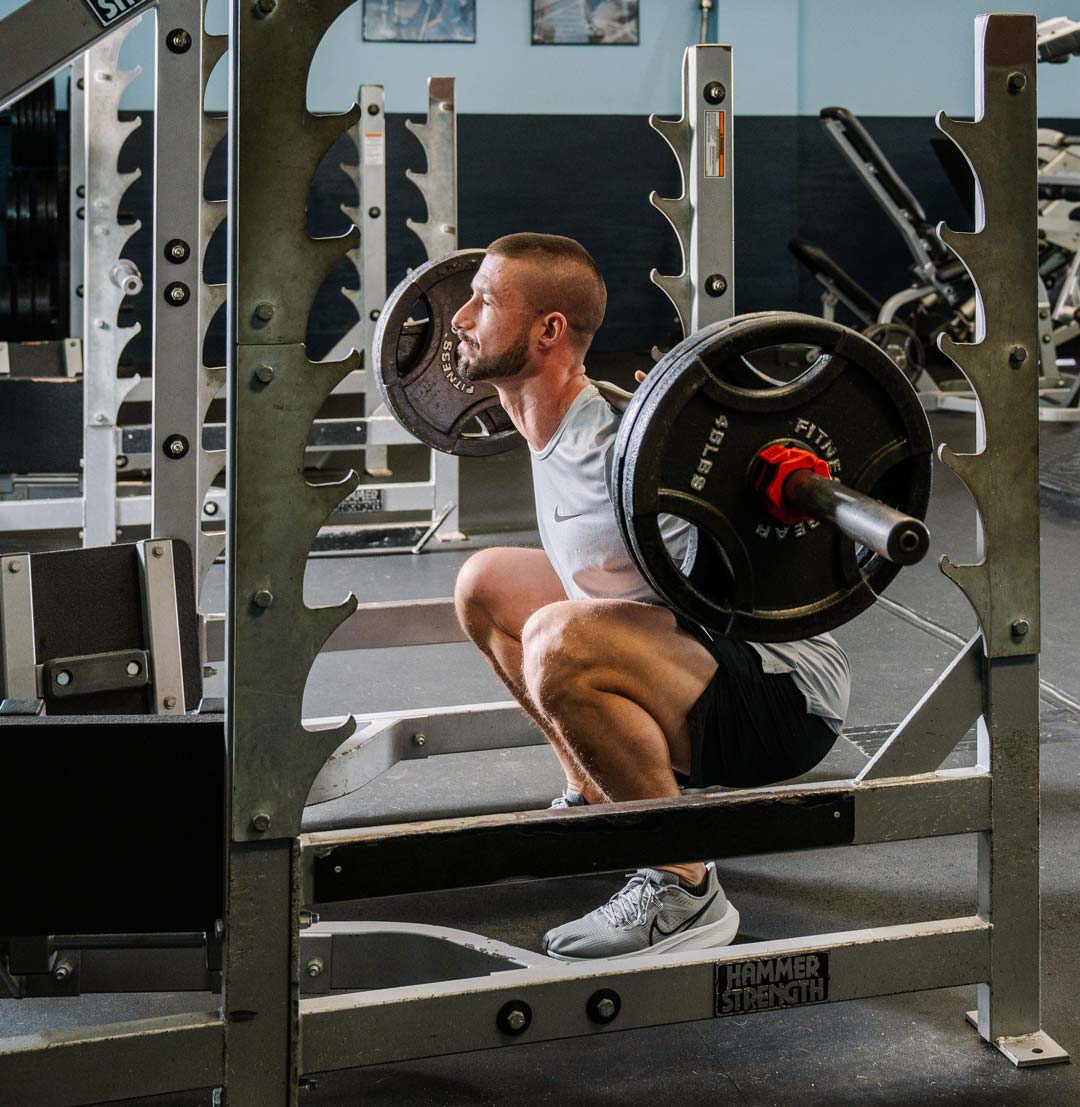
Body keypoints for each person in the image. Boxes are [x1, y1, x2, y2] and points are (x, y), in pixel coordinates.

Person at [450, 233, 851, 961]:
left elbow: (745, 573)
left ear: (548, 332)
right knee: (485, 585)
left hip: (778, 698)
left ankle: (682, 880)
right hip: (685, 665)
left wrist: (709, 448)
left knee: (557, 639)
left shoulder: (616, 445)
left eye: (485, 300)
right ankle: (598, 796)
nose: (459, 317)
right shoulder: (547, 419)